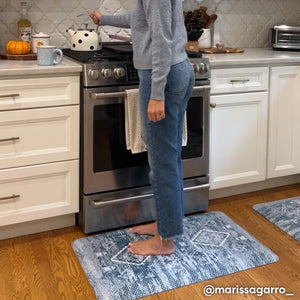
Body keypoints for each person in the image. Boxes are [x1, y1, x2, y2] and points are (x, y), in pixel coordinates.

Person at [89, 0, 194, 256]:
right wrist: (106, 18)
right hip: (175, 71)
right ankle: (165, 226)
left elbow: (160, 40)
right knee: (169, 160)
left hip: (164, 77)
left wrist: (156, 93)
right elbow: (140, 19)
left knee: (162, 164)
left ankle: (164, 242)